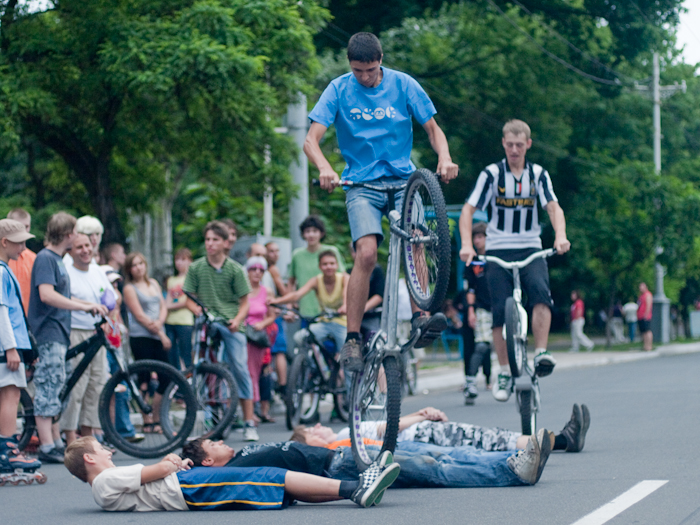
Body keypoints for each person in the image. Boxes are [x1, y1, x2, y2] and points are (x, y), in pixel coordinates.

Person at [304, 32, 459, 373]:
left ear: (381, 61)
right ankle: (353, 338)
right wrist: (325, 167)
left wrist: (444, 158)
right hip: (361, 184)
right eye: (358, 71)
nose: (365, 78)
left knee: (416, 240)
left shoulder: (403, 85)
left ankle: (421, 316)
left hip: (404, 181)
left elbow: (433, 129)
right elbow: (311, 140)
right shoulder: (338, 89)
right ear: (350, 66)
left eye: (371, 70)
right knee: (367, 253)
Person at [459, 119, 571, 402]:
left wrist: (560, 236)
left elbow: (554, 207)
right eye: (509, 144)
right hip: (498, 249)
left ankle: (541, 352)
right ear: (503, 144)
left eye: (519, 145)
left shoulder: (538, 175)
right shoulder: (492, 174)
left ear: (528, 145)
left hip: (530, 247)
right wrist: (466, 245)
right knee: (499, 309)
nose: (514, 150)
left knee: (540, 293)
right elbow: (468, 210)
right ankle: (505, 370)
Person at [64, 435, 401, 511]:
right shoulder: (106, 479)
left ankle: (353, 488)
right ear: (90, 461)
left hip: (186, 489)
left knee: (276, 487)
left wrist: (169, 466)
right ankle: (355, 487)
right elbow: (153, 473)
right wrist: (169, 463)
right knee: (270, 476)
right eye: (101, 449)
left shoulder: (104, 487)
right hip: (185, 488)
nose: (108, 451)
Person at [184, 427, 553, 489]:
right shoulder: (227, 472)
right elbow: (186, 481)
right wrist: (177, 462)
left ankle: (516, 455)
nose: (219, 441)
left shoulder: (239, 456)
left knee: (436, 453)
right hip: (338, 466)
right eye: (211, 444)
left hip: (346, 454)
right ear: (206, 462)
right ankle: (512, 472)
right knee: (431, 470)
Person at [28, 212, 108, 463]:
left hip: (59, 331)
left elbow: (63, 295)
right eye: (75, 232)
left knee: (57, 385)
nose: (78, 237)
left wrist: (88, 304)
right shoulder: (46, 258)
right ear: (67, 235)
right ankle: (46, 443)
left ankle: (54, 438)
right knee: (48, 384)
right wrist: (82, 308)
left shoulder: (57, 259)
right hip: (48, 331)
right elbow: (47, 295)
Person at [183, 221, 258, 441]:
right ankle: (211, 414)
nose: (210, 244)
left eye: (215, 239)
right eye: (207, 239)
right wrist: (196, 309)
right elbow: (188, 299)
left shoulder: (235, 269)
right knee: (201, 364)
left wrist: (236, 320)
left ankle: (249, 422)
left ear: (225, 243)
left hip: (230, 321)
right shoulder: (196, 267)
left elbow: (245, 303)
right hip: (207, 320)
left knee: (240, 367)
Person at [295, 403, 590, 455]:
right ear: (313, 444)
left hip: (420, 433)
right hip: (422, 435)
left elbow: (389, 426)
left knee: (490, 439)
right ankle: (563, 440)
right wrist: (422, 418)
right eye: (312, 431)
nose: (319, 426)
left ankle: (562, 439)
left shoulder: (345, 440)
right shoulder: (345, 439)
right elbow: (388, 428)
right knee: (490, 440)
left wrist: (422, 414)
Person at [61, 233, 118, 445]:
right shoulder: (67, 272)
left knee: (97, 383)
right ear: (70, 251)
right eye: (79, 247)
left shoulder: (96, 270)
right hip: (76, 331)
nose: (85, 250)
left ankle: (88, 434)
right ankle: (69, 435)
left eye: (87, 245)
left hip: (97, 333)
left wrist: (108, 316)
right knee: (77, 384)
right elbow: (64, 297)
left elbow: (111, 296)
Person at [0, 218, 43, 475]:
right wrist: (11, 347)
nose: (23, 248)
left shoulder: (6, 269)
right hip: (7, 347)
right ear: (4, 242)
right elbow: (2, 312)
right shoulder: (1, 271)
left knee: (8, 393)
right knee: (10, 393)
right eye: (19, 243)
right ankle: (8, 450)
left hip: (9, 346)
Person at [123, 252, 172, 434]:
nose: (138, 268)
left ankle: (157, 414)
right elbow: (139, 315)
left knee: (165, 377)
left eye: (140, 263)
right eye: (134, 265)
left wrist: (160, 324)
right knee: (144, 378)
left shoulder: (154, 283)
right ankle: (146, 419)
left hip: (158, 334)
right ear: (129, 269)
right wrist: (159, 330)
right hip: (141, 336)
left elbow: (163, 306)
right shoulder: (129, 288)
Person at [270, 250, 349, 354]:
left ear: (337, 265)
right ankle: (316, 364)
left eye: (332, 263)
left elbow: (346, 295)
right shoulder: (316, 280)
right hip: (324, 322)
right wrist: (277, 301)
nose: (329, 267)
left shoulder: (344, 278)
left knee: (347, 355)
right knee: (299, 337)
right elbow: (297, 295)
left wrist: (344, 306)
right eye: (325, 264)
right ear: (319, 266)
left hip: (342, 323)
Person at [453, 222, 492, 402]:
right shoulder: (473, 262)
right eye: (475, 238)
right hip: (482, 307)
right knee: (482, 344)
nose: (477, 241)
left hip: (500, 307)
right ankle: (471, 381)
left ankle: (510, 379)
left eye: (480, 237)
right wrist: (470, 311)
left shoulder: (496, 257)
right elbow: (470, 290)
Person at [288, 215, 346, 324]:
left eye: (315, 231)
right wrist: (290, 306)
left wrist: (345, 304)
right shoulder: (297, 255)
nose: (311, 234)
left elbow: (344, 279)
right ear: (303, 234)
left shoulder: (332, 251)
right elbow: (291, 281)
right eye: (307, 231)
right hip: (306, 310)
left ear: (321, 233)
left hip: (332, 313)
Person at [244, 256, 279, 423]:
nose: (257, 273)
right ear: (248, 271)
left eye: (260, 270)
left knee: (258, 373)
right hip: (242, 334)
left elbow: (272, 316)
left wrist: (261, 324)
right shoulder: (242, 290)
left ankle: (255, 410)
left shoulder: (267, 292)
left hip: (258, 337)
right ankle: (249, 411)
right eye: (253, 269)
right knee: (246, 373)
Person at [264, 241, 289, 397]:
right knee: (279, 351)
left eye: (277, 251)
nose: (275, 254)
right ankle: (283, 385)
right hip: (273, 313)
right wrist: (290, 301)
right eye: (271, 251)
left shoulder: (257, 270)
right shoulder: (272, 269)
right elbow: (283, 291)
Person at [164, 248, 194, 371]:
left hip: (185, 322)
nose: (179, 263)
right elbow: (168, 300)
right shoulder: (171, 280)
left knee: (186, 353)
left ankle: (189, 380)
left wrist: (170, 306)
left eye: (183, 259)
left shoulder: (192, 279)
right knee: (172, 355)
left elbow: (188, 302)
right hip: (170, 321)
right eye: (177, 259)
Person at [348, 242, 385, 340]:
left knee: (374, 339)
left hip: (372, 317)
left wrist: (362, 308)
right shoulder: (348, 272)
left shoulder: (377, 271)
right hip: (352, 319)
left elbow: (379, 295)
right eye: (354, 252)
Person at [6, 209, 36, 315]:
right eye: (19, 226)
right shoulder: (4, 258)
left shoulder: (34, 258)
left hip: (26, 318)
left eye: (26, 226)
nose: (23, 231)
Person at [637, 282, 653, 351]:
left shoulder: (648, 295)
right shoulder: (641, 296)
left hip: (645, 316)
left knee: (647, 331)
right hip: (640, 316)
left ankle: (649, 346)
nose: (640, 289)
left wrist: (646, 314)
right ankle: (645, 346)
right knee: (643, 332)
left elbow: (648, 305)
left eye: (642, 287)